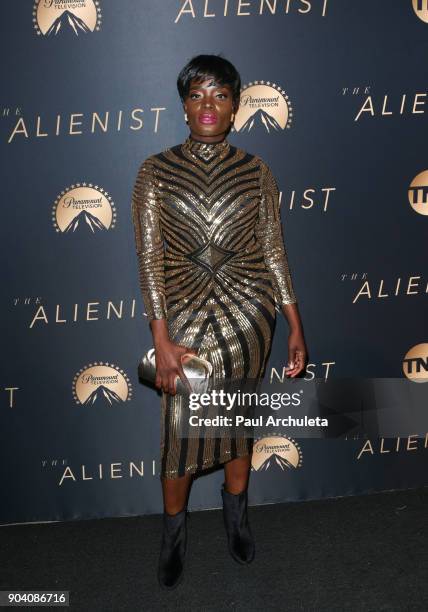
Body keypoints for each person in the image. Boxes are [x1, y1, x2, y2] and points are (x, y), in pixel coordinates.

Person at [131, 54, 307, 590]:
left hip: (249, 318)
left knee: (238, 426)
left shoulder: (257, 171)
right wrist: (160, 340)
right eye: (198, 95)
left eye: (221, 95)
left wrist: (296, 325)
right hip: (182, 323)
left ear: (234, 107)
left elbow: (274, 252)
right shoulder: (154, 171)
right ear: (184, 105)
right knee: (182, 435)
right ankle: (174, 535)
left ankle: (237, 520)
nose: (209, 105)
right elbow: (150, 262)